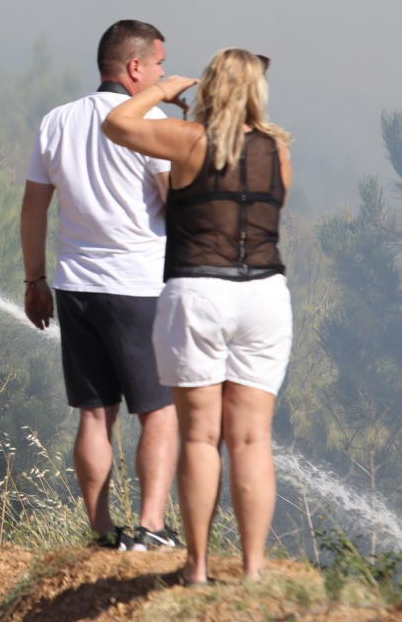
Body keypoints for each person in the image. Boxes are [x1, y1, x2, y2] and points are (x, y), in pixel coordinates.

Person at [102, 49, 292, 584]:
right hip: (264, 294)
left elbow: (116, 122)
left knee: (201, 438)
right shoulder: (277, 150)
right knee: (252, 439)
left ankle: (198, 568)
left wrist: (163, 91)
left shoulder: (188, 140)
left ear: (209, 87)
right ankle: (253, 570)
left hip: (199, 292)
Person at [21, 20, 180, 551]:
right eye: (158, 64)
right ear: (135, 67)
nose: (161, 74)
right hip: (139, 287)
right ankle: (152, 527)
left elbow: (33, 208)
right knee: (159, 411)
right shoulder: (151, 121)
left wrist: (35, 280)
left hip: (75, 288)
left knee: (94, 414)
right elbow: (175, 206)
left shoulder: (57, 120)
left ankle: (103, 531)